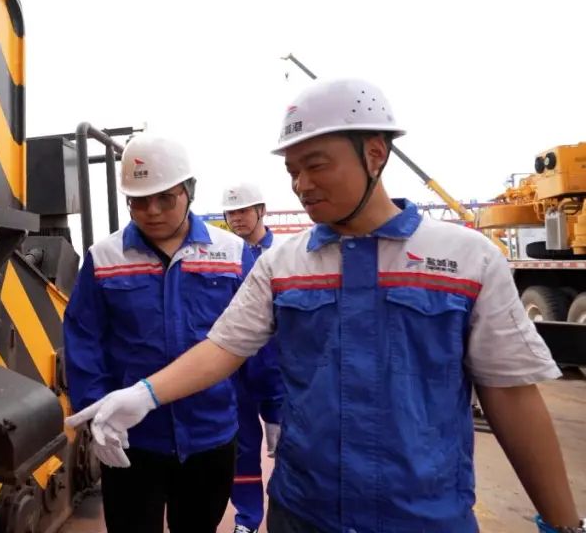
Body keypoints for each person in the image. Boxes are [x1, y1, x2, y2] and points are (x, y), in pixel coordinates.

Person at [66, 79, 584, 533]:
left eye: (316, 165)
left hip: (423, 516)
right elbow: (222, 348)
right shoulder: (282, 264)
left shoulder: (467, 260)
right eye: (292, 170)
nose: (301, 185)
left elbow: (511, 397)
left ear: (375, 154)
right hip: (302, 510)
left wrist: (561, 522)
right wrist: (140, 396)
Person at [64, 132, 251, 533]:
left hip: (210, 437)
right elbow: (84, 338)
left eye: (165, 198)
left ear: (189, 191)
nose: (151, 211)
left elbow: (255, 339)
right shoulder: (104, 257)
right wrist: (97, 414)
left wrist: (274, 410)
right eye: (139, 200)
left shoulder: (233, 255)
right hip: (132, 441)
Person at [222, 182, 284, 533]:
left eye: (243, 210)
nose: (237, 218)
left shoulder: (286, 255)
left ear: (261, 210)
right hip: (237, 372)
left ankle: (286, 517)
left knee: (290, 451)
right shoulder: (225, 257)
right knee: (243, 450)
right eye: (231, 212)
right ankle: (247, 519)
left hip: (280, 373)